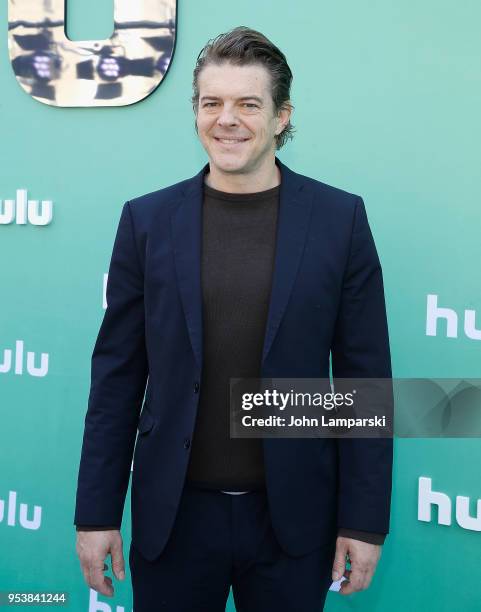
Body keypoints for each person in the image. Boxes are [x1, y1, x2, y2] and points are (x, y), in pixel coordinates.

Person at [74, 26, 393, 611]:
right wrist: (96, 513)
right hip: (173, 519)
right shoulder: (146, 222)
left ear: (280, 117)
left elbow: (363, 382)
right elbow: (117, 378)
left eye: (248, 103)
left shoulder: (339, 220)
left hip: (292, 523)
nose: (227, 119)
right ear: (195, 111)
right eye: (211, 102)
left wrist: (365, 522)